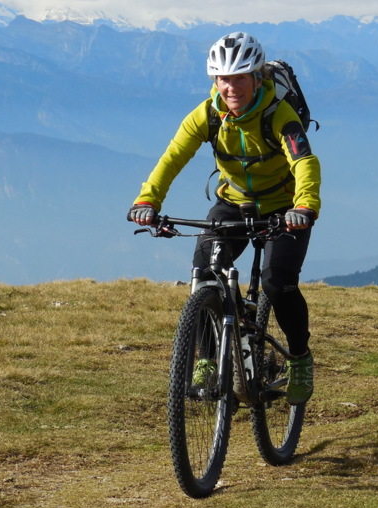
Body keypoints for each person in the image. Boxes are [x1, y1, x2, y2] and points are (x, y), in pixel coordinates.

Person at [127, 32, 321, 405]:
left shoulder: (280, 114)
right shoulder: (207, 114)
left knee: (277, 283)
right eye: (223, 78)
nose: (231, 87)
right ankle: (205, 359)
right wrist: (148, 199)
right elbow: (172, 157)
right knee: (204, 272)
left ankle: (299, 358)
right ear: (214, 80)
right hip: (234, 203)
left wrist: (305, 206)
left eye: (240, 77)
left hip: (285, 207)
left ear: (257, 78)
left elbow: (304, 162)